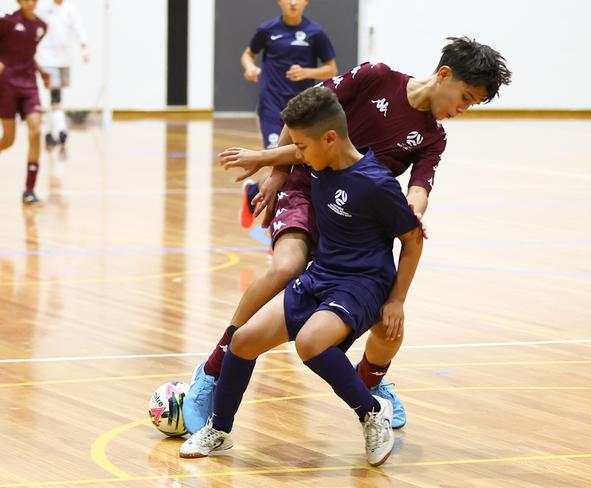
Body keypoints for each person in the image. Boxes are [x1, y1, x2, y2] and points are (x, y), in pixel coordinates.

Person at [183, 37, 512, 433]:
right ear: (444, 75)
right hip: (307, 185)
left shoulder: (433, 137)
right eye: (465, 97)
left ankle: (372, 384)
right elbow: (303, 114)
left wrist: (414, 211)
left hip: (356, 218)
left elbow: (420, 187)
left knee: (389, 320)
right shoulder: (376, 77)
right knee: (286, 265)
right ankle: (213, 371)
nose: (462, 110)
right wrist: (276, 172)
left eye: (471, 105)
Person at [180, 86, 424, 466]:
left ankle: (370, 412)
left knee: (309, 343)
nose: (299, 156)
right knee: (244, 340)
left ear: (330, 138)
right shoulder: (318, 160)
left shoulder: (376, 183)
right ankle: (220, 431)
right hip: (321, 275)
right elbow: (292, 154)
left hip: (363, 284)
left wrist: (396, 301)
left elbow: (412, 241)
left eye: (302, 147)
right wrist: (266, 167)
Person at [238, 0, 337, 228]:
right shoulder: (267, 30)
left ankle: (253, 192)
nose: (293, 2)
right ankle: (277, 232)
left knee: (299, 165)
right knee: (279, 164)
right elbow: (247, 54)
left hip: (303, 111)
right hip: (272, 107)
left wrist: (307, 72)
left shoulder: (315, 33)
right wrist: (250, 68)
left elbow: (331, 68)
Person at [0, 0, 48, 205]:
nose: (30, 2)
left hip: (29, 85)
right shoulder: (7, 22)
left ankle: (29, 190)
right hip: (7, 85)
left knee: (36, 131)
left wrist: (41, 71)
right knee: (8, 140)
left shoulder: (41, 26)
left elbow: (28, 52)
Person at [36, 0, 88, 150]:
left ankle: (51, 132)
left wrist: (84, 47)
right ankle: (59, 129)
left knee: (57, 97)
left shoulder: (71, 9)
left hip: (64, 58)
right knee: (55, 94)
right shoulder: (43, 8)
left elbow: (79, 28)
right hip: (47, 56)